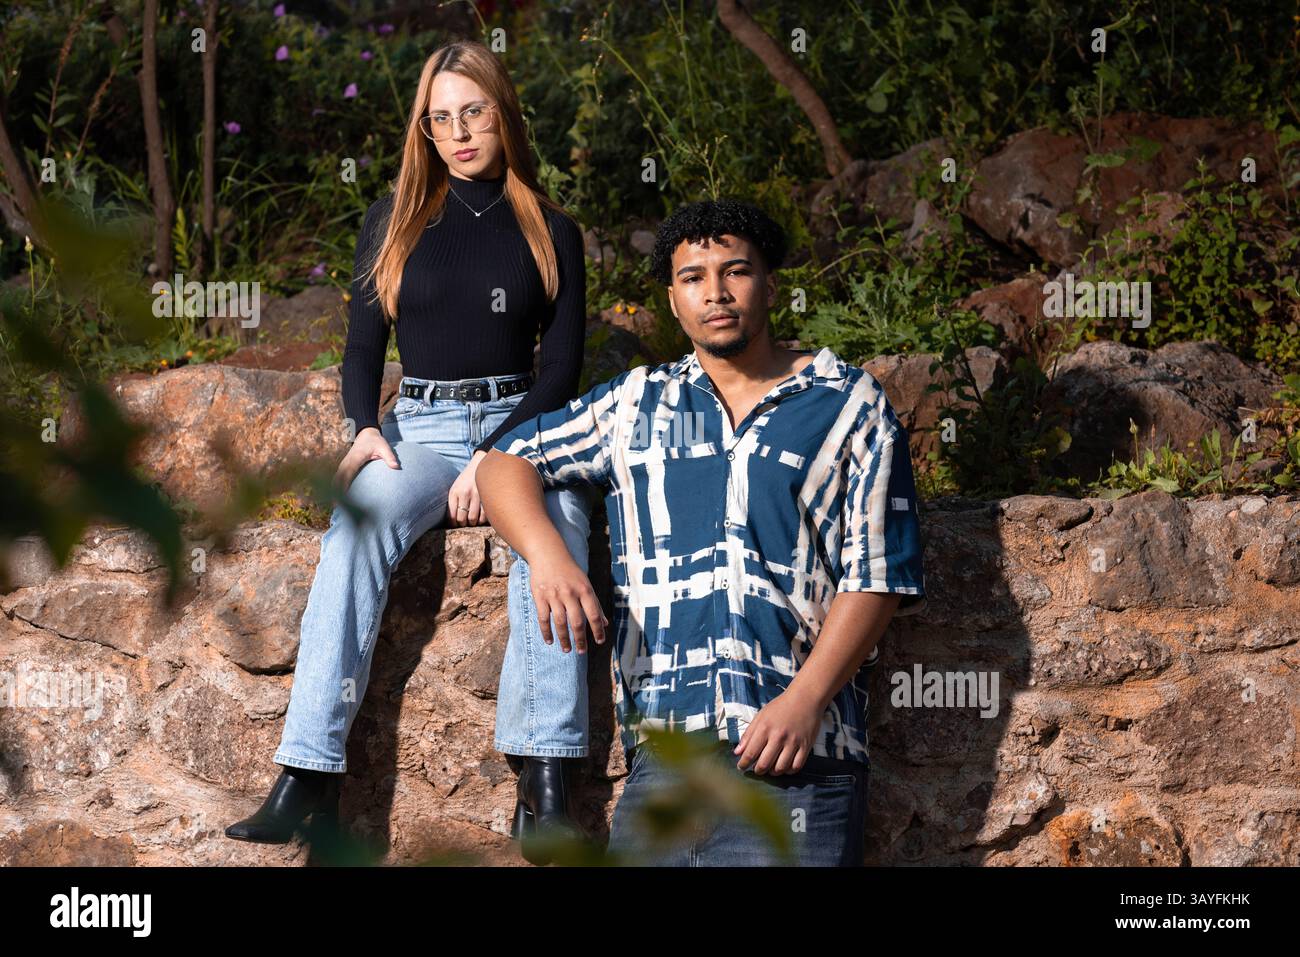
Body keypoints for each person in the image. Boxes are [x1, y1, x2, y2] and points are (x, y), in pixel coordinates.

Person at [225, 40, 599, 865]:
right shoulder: (392, 220)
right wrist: (365, 426)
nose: (460, 132)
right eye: (441, 119)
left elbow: (561, 369)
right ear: (423, 131)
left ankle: (546, 788)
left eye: (475, 112)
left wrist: (499, 457)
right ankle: (306, 778)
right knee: (356, 528)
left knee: (558, 538)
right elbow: (363, 349)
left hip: (524, 426)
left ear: (503, 112)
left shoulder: (553, 228)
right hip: (420, 428)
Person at [475, 198, 928, 865]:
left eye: (735, 271)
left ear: (769, 285)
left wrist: (805, 701)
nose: (715, 291)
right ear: (673, 299)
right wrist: (548, 556)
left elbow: (878, 574)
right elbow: (505, 462)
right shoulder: (637, 403)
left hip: (795, 762)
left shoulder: (848, 404)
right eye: (693, 277)